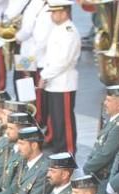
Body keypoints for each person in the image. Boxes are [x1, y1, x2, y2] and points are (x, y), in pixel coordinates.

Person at [39, 0, 81, 154]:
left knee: (65, 120)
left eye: (55, 12)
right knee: (56, 119)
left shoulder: (69, 31)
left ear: (64, 13)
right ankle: (58, 147)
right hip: (54, 82)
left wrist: (44, 75)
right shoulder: (58, 29)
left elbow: (63, 61)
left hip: (64, 82)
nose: (52, 15)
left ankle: (68, 150)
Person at [85, 86, 119, 187]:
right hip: (98, 173)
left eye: (109, 100)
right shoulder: (113, 121)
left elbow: (107, 153)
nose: (105, 103)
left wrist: (88, 166)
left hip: (105, 175)